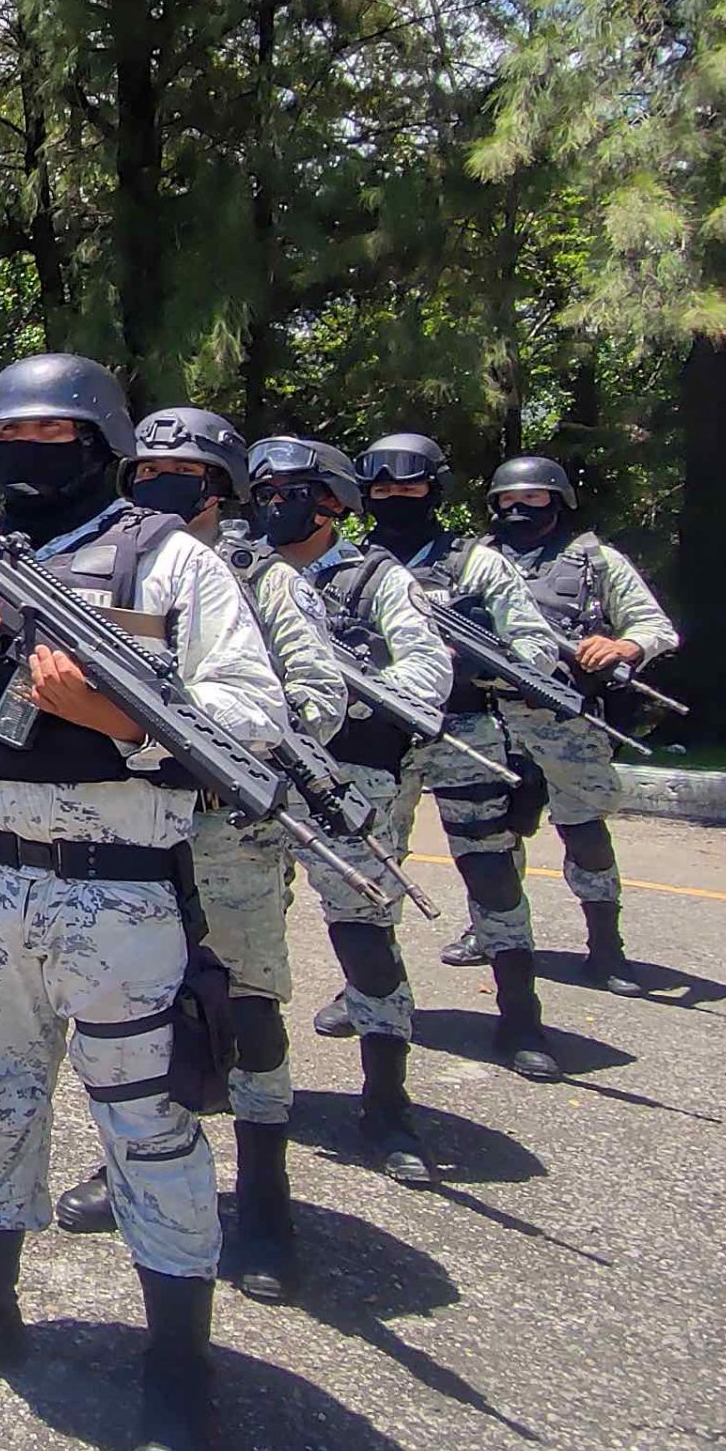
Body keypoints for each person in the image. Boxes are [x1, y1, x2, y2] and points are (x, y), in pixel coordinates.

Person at [0, 354, 286, 1451]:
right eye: (9, 435)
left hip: (121, 892)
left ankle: (177, 1371)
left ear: (98, 443)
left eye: (50, 435)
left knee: (147, 1128)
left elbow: (254, 727)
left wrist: (117, 718)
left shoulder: (175, 560)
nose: (24, 455)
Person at [53, 408, 345, 1303]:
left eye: (183, 472)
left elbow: (318, 705)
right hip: (129, 829)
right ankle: (131, 1161)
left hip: (229, 837)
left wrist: (185, 723)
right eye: (147, 470)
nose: (159, 485)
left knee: (247, 1014)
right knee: (123, 1015)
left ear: (222, 489)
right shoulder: (121, 564)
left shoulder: (265, 582)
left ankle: (264, 1198)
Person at [250, 437, 461, 1180]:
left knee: (365, 937)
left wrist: (358, 688)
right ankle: (241, 1093)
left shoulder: (376, 578)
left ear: (333, 500)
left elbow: (430, 670)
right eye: (266, 487)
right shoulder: (240, 573)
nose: (277, 500)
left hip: (355, 780)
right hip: (257, 780)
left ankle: (387, 1102)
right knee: (237, 945)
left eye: (295, 488)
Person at [349, 433, 565, 1079]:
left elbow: (540, 650)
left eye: (409, 486)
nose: (395, 497)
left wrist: (478, 658)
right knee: (364, 877)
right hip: (378, 738)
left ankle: (520, 1013)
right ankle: (367, 998)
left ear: (435, 489)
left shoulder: (476, 565)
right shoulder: (349, 567)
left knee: (491, 872)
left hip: (464, 729)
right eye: (382, 488)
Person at [481, 454, 681, 993]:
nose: (518, 508)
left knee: (585, 833)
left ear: (558, 500)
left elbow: (654, 626)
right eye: (507, 500)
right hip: (491, 716)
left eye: (532, 498)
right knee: (492, 835)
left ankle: (606, 946)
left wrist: (622, 645)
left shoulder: (596, 562)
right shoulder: (475, 560)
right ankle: (491, 933)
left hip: (569, 719)